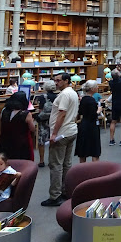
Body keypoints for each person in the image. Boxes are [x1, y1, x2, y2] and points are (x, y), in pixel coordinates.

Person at [41, 72, 79, 207]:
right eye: (55, 81)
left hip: (62, 133)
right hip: (71, 131)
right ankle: (65, 191)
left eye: (59, 81)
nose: (56, 83)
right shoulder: (73, 93)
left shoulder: (64, 95)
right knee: (66, 164)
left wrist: (54, 134)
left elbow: (61, 114)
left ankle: (55, 195)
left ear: (66, 81)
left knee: (56, 164)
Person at [0, 92, 35, 160]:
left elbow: (0, 125)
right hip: (20, 143)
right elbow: (32, 129)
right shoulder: (26, 114)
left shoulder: (4, 111)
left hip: (4, 141)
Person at [75, 80, 101, 163]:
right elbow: (93, 115)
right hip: (92, 126)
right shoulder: (91, 101)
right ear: (92, 89)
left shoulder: (83, 99)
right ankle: (95, 171)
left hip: (83, 125)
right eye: (96, 86)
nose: (98, 87)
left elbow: (81, 112)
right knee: (95, 150)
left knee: (83, 151)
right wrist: (99, 111)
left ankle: (83, 171)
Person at [35, 80, 57, 168]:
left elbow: (40, 110)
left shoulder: (42, 97)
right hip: (53, 120)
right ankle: (52, 160)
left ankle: (41, 160)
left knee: (42, 141)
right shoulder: (57, 96)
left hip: (43, 121)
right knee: (52, 140)